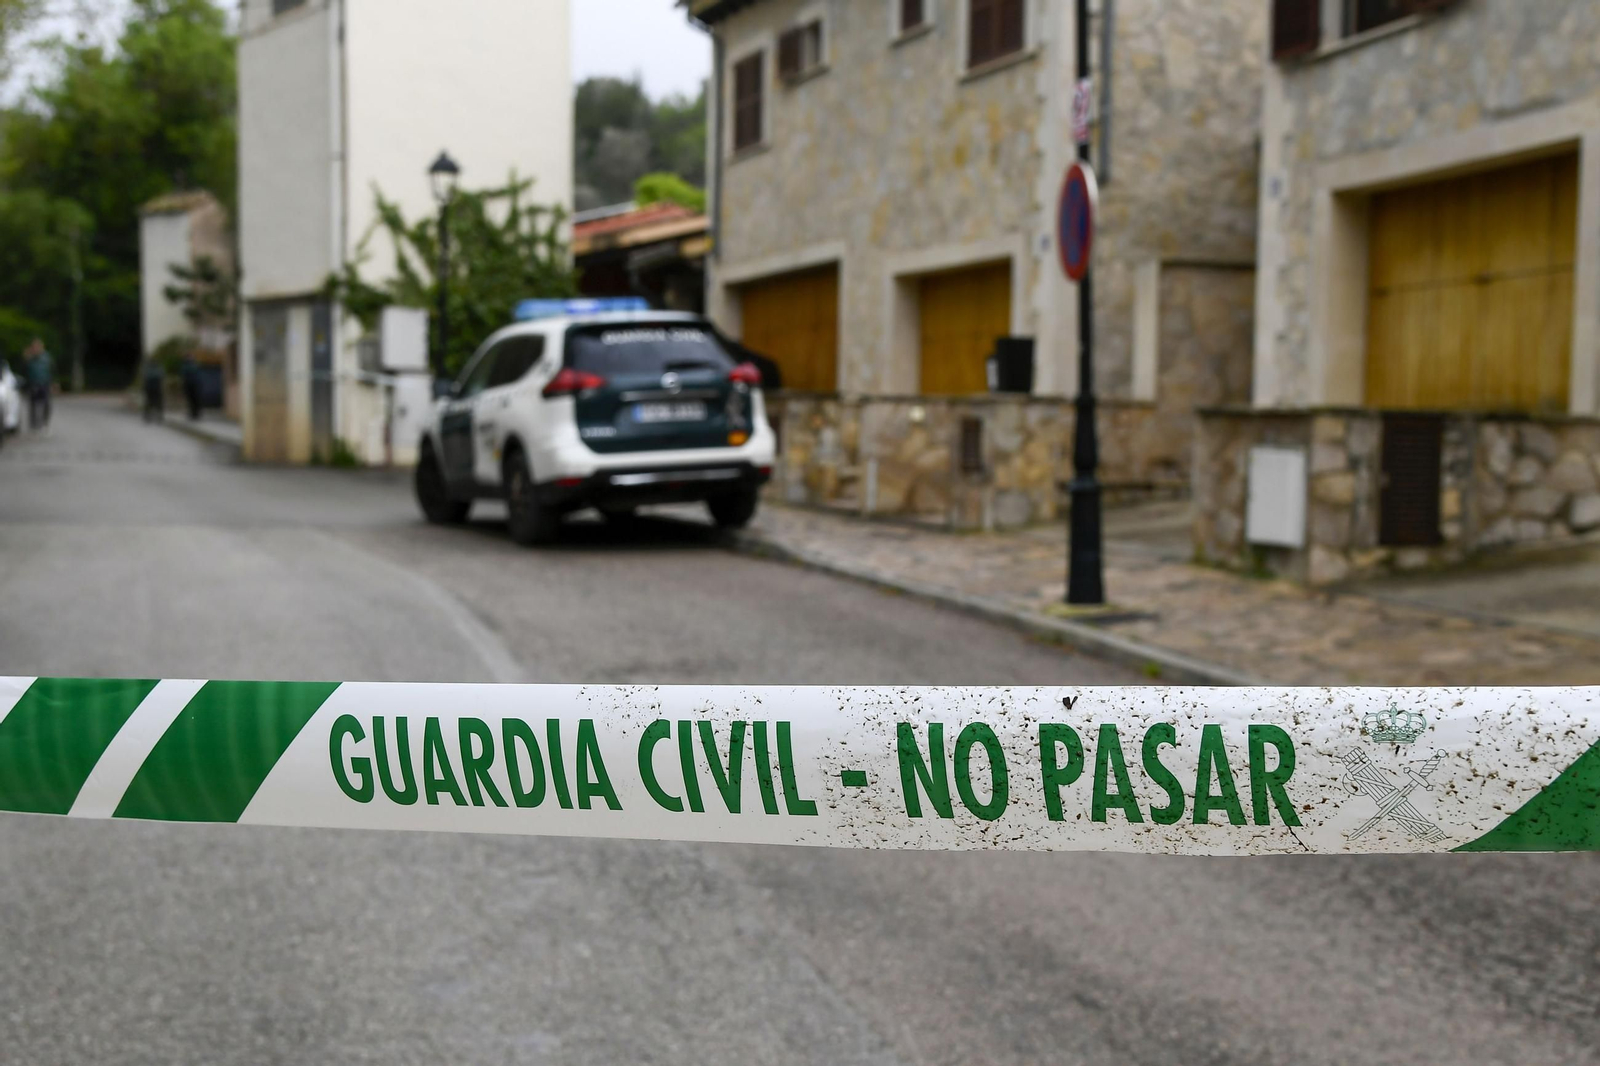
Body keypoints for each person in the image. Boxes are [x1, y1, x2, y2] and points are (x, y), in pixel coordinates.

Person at [23, 339, 52, 431]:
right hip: (33, 384)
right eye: (34, 347)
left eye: (38, 346)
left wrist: (54, 383)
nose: (36, 349)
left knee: (46, 404)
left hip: (44, 383)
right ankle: (33, 424)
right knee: (32, 405)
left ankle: (45, 422)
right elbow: (24, 371)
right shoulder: (29, 358)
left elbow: (52, 370)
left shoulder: (46, 358)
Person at [143, 358, 166, 422]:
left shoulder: (156, 368)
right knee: (150, 402)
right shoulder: (149, 368)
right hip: (151, 388)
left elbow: (161, 375)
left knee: (158, 402)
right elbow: (147, 376)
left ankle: (158, 415)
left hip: (156, 388)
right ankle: (148, 415)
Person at [180, 353, 202, 420]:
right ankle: (193, 413)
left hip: (194, 384)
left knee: (195, 400)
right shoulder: (186, 365)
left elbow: (198, 375)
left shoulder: (193, 365)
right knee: (191, 400)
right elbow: (183, 376)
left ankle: (196, 413)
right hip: (189, 385)